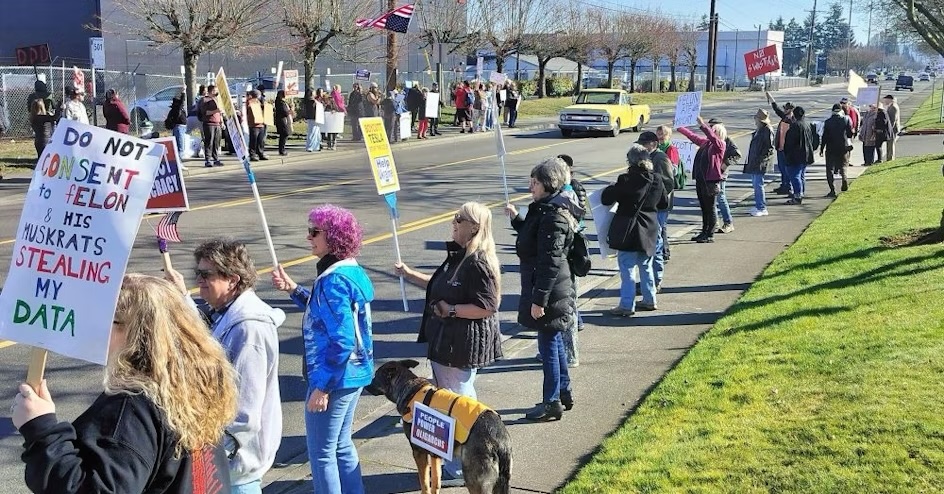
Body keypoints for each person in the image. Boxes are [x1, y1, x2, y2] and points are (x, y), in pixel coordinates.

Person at [12, 274, 236, 493]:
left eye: (107, 320)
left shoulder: (132, 407)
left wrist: (41, 429)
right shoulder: (192, 383)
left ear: (138, 332)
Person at [394, 201, 503, 485]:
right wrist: (409, 274)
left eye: (459, 219)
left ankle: (465, 462)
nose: (453, 222)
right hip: (448, 342)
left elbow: (488, 305)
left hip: (459, 345)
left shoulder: (477, 262)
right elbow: (440, 285)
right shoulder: (459, 257)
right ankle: (465, 458)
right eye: (455, 218)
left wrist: (451, 310)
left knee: (457, 401)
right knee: (455, 398)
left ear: (474, 228)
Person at [165, 239, 285, 493]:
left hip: (235, 467)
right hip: (224, 463)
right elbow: (206, 337)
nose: (199, 280)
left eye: (206, 274)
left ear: (232, 279)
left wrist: (213, 454)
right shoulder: (228, 314)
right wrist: (183, 296)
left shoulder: (248, 328)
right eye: (197, 273)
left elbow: (245, 410)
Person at [271, 205, 374, 494]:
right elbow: (324, 316)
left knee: (322, 453)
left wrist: (323, 387)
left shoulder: (332, 280)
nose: (309, 237)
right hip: (355, 373)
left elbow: (342, 339)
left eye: (315, 232)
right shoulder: (350, 272)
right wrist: (293, 289)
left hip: (335, 378)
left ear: (334, 238)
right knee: (340, 446)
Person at [504, 157, 577, 422]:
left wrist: (539, 301)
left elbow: (550, 263)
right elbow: (531, 238)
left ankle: (551, 402)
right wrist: (517, 220)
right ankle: (564, 391)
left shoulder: (553, 215)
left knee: (547, 346)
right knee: (554, 341)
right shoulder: (543, 209)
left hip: (550, 290)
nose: (530, 186)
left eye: (534, 182)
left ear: (548, 184)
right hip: (547, 288)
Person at [601, 144, 668, 317]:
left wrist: (612, 187)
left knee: (627, 268)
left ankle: (626, 305)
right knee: (646, 266)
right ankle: (649, 299)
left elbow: (606, 199)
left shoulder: (626, 180)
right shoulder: (657, 179)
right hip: (650, 228)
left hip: (629, 230)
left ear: (630, 161)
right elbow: (663, 204)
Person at [634, 132, 674, 292]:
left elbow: (668, 183)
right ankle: (649, 279)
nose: (641, 147)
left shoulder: (660, 158)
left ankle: (655, 280)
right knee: (651, 243)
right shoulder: (650, 158)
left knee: (656, 243)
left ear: (652, 144)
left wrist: (654, 196)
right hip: (651, 207)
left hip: (659, 207)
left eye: (644, 144)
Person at [677, 116, 726, 243]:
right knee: (704, 208)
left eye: (713, 130)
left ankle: (710, 234)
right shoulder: (706, 144)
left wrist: (702, 125)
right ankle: (704, 231)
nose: (711, 132)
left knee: (710, 208)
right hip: (701, 179)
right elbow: (693, 137)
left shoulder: (720, 145)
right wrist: (680, 128)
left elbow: (712, 138)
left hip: (710, 181)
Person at [655, 125, 680, 262]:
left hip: (666, 193)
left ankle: (665, 251)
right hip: (659, 192)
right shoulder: (657, 150)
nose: (660, 137)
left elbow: (673, 171)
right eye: (658, 134)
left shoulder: (671, 150)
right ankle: (663, 251)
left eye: (663, 134)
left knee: (661, 224)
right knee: (660, 225)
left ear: (668, 136)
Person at [781, 106, 816, 205]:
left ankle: (797, 196)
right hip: (806, 154)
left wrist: (787, 154)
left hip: (796, 155)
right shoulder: (807, 124)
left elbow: (789, 143)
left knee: (795, 176)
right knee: (801, 176)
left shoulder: (795, 126)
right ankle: (801, 193)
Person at [745, 109, 775, 216]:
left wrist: (761, 159)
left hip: (760, 162)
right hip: (755, 161)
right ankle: (758, 205)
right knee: (755, 184)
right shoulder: (759, 130)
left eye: (756, 118)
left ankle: (762, 207)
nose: (755, 120)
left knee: (758, 184)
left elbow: (769, 148)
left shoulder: (766, 130)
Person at [820, 103, 854, 197]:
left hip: (831, 148)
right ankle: (844, 178)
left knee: (829, 169)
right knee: (843, 165)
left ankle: (832, 190)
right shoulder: (846, 119)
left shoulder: (828, 122)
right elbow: (850, 134)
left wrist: (822, 149)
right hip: (843, 147)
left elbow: (824, 137)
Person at [766, 92, 794, 196]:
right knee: (782, 168)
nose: (784, 110)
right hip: (780, 147)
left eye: (786, 109)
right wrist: (771, 98)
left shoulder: (792, 121)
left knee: (787, 169)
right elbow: (776, 109)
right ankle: (784, 185)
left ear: (790, 110)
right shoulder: (784, 117)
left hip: (787, 149)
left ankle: (788, 187)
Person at [715, 118, 739, 234]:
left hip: (721, 173)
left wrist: (725, 164)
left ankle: (728, 222)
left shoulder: (727, 140)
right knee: (711, 199)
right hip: (711, 173)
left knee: (721, 197)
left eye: (714, 126)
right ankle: (714, 222)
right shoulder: (710, 140)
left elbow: (737, 155)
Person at [200, 84, 224, 167]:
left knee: (216, 142)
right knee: (209, 142)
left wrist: (222, 121)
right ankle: (208, 160)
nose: (216, 92)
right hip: (209, 123)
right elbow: (205, 112)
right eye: (215, 90)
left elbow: (220, 112)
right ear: (211, 91)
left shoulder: (217, 100)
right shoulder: (205, 100)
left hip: (217, 124)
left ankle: (216, 159)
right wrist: (215, 111)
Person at [246, 90, 268, 161]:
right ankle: (252, 154)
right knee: (253, 140)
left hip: (261, 124)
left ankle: (260, 153)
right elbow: (249, 107)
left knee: (260, 140)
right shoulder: (250, 101)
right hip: (254, 124)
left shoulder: (258, 101)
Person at [167, 91, 189, 156]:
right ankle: (179, 157)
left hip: (179, 127)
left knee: (179, 142)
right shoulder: (177, 109)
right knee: (180, 144)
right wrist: (183, 93)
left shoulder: (176, 109)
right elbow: (182, 102)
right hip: (179, 127)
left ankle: (179, 156)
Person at [274, 89, 294, 156]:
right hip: (282, 121)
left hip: (284, 120)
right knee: (284, 134)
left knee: (284, 135)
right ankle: (281, 150)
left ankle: (282, 149)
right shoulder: (280, 103)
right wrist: (291, 110)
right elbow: (285, 112)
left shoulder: (282, 102)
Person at [882, 94, 900, 160]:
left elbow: (892, 120)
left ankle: (890, 158)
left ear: (890, 99)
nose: (885, 101)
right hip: (891, 129)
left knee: (890, 144)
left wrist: (889, 129)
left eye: (886, 99)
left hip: (892, 129)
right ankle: (889, 157)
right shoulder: (891, 106)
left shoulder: (893, 107)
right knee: (889, 144)